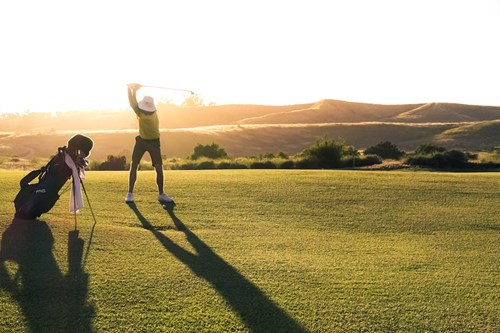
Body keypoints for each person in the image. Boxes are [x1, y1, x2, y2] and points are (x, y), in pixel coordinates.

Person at [125, 83, 174, 203]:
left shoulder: (140, 113)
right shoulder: (151, 111)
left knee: (156, 168)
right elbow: (133, 103)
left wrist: (132, 89)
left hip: (153, 142)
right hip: (142, 141)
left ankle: (160, 194)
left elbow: (132, 102)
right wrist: (133, 89)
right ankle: (131, 193)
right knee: (137, 165)